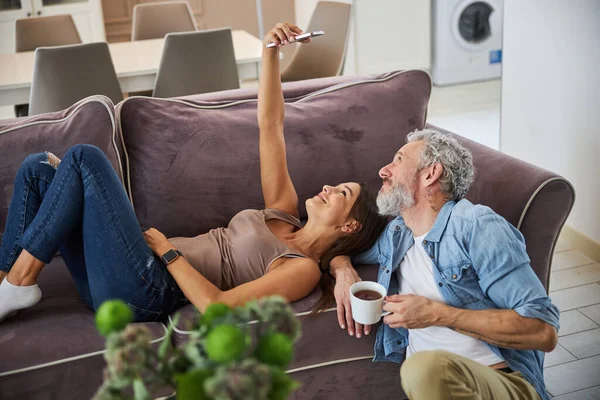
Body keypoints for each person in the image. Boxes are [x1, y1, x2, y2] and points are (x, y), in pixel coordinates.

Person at [0, 22, 387, 324]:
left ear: (350, 226)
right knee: (37, 169)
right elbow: (270, 125)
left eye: (342, 193)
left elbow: (217, 306)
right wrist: (270, 52)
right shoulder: (282, 211)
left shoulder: (300, 269)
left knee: (84, 158)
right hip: (117, 270)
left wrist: (169, 253)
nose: (328, 186)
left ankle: (18, 283)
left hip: (145, 288)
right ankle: (5, 286)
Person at [328, 128, 559, 400]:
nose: (383, 170)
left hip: (499, 381)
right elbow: (343, 249)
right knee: (422, 371)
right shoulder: (397, 234)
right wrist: (342, 268)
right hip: (429, 390)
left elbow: (543, 330)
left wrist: (439, 314)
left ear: (430, 173)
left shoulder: (477, 226)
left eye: (399, 159)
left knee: (423, 369)